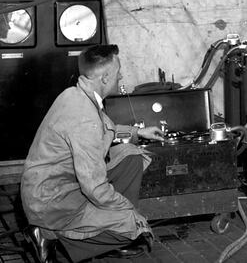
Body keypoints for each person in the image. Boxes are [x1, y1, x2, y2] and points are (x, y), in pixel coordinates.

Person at [20, 44, 165, 262]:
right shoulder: (85, 119)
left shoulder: (75, 94)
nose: (122, 75)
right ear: (105, 78)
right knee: (136, 226)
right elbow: (94, 186)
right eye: (118, 72)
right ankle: (48, 234)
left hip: (51, 186)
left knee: (130, 155)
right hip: (54, 203)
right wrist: (129, 211)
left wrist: (138, 132)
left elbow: (103, 128)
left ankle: (103, 234)